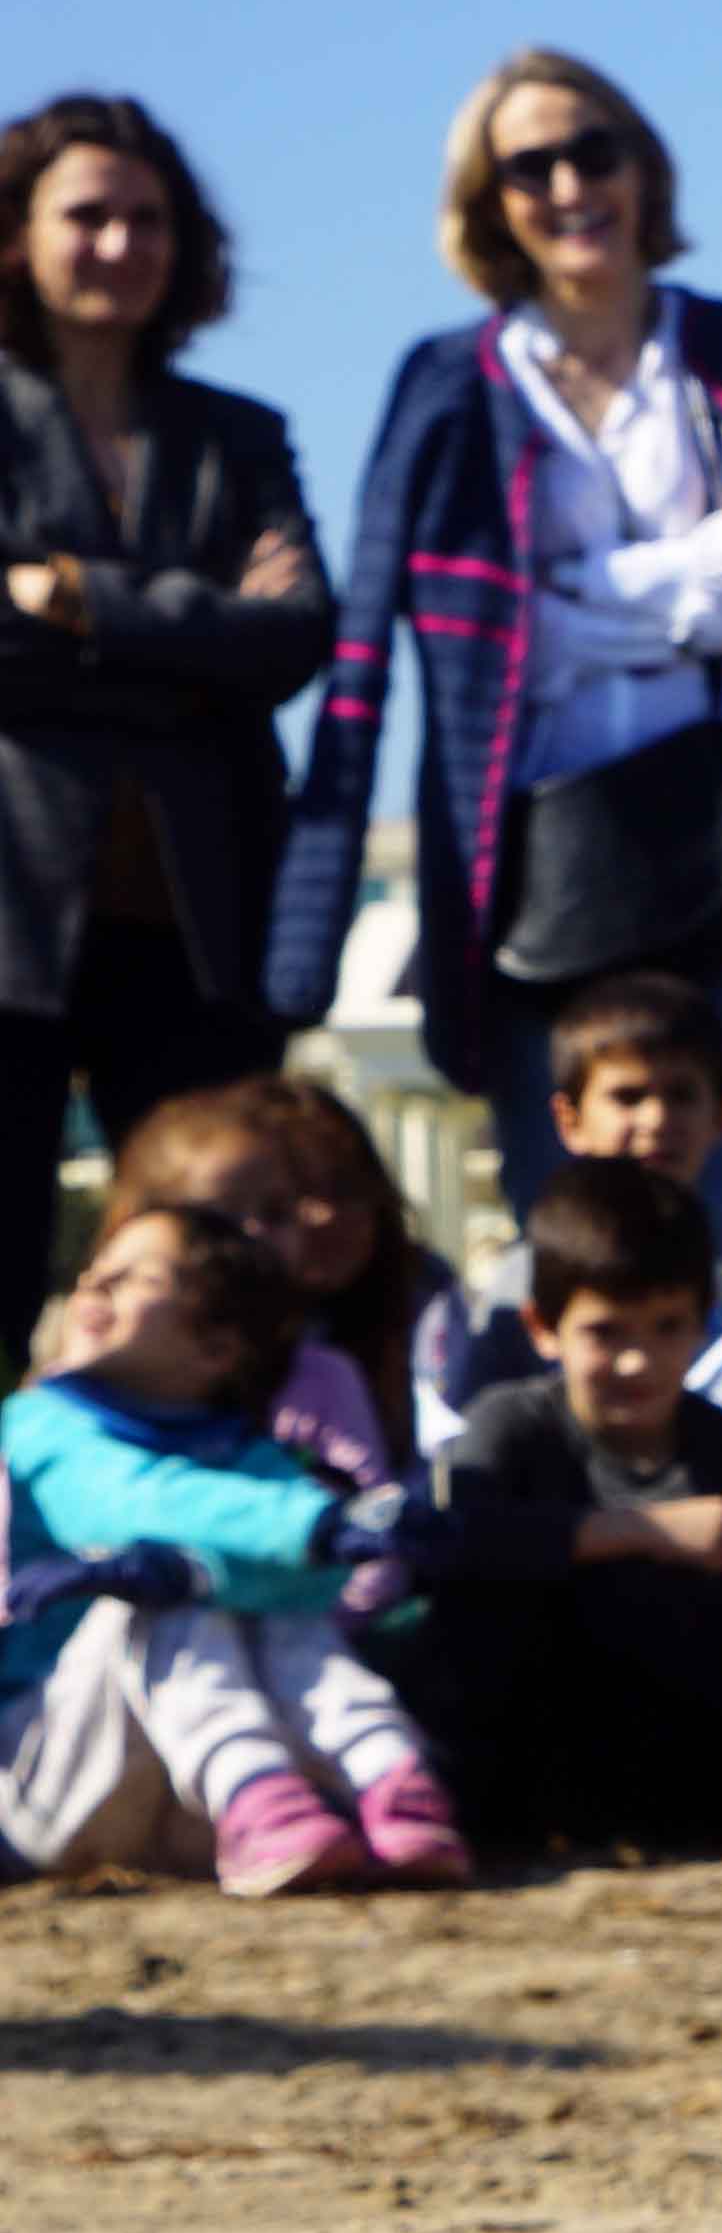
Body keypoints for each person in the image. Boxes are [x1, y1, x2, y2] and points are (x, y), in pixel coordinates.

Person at [280, 51, 722, 1220]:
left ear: (643, 168)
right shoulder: (448, 386)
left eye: (595, 150)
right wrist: (693, 568)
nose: (571, 184)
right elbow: (455, 624)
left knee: (720, 1220)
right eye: (531, 164)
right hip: (541, 867)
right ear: (489, 198)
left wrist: (572, 598)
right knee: (566, 1228)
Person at [1, 95, 328, 1368]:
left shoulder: (235, 437)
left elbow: (297, 633)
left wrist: (77, 596)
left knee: (210, 1266)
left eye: (149, 220)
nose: (121, 244)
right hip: (15, 924)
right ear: (20, 234)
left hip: (197, 924)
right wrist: (193, 638)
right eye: (87, 215)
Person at [400, 1159, 722, 1862]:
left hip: (685, 1763)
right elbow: (462, 1541)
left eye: (667, 1327)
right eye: (607, 1332)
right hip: (531, 1746)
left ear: (705, 1325)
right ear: (544, 1329)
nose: (638, 1361)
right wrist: (640, 1532)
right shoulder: (512, 1426)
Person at [1, 1203, 451, 1893]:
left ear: (216, 1347)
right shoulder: (38, 1424)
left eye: (133, 1277)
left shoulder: (245, 1453)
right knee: (162, 1596)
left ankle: (388, 1776)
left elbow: (313, 1587)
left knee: (251, 1593)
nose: (94, 1288)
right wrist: (319, 1526)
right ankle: (262, 1790)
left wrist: (327, 1538)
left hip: (182, 1800)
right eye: (92, 1273)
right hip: (41, 1785)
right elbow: (130, 1501)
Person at [407, 971, 722, 1484]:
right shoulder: (522, 1275)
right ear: (569, 1120)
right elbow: (480, 1437)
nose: (657, 1119)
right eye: (628, 1096)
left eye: (681, 1095)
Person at [98, 1088, 406, 1493]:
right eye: (220, 1219)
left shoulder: (322, 1378)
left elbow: (372, 1525)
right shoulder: (89, 1379)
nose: (254, 1237)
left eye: (277, 1212)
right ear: (138, 1228)